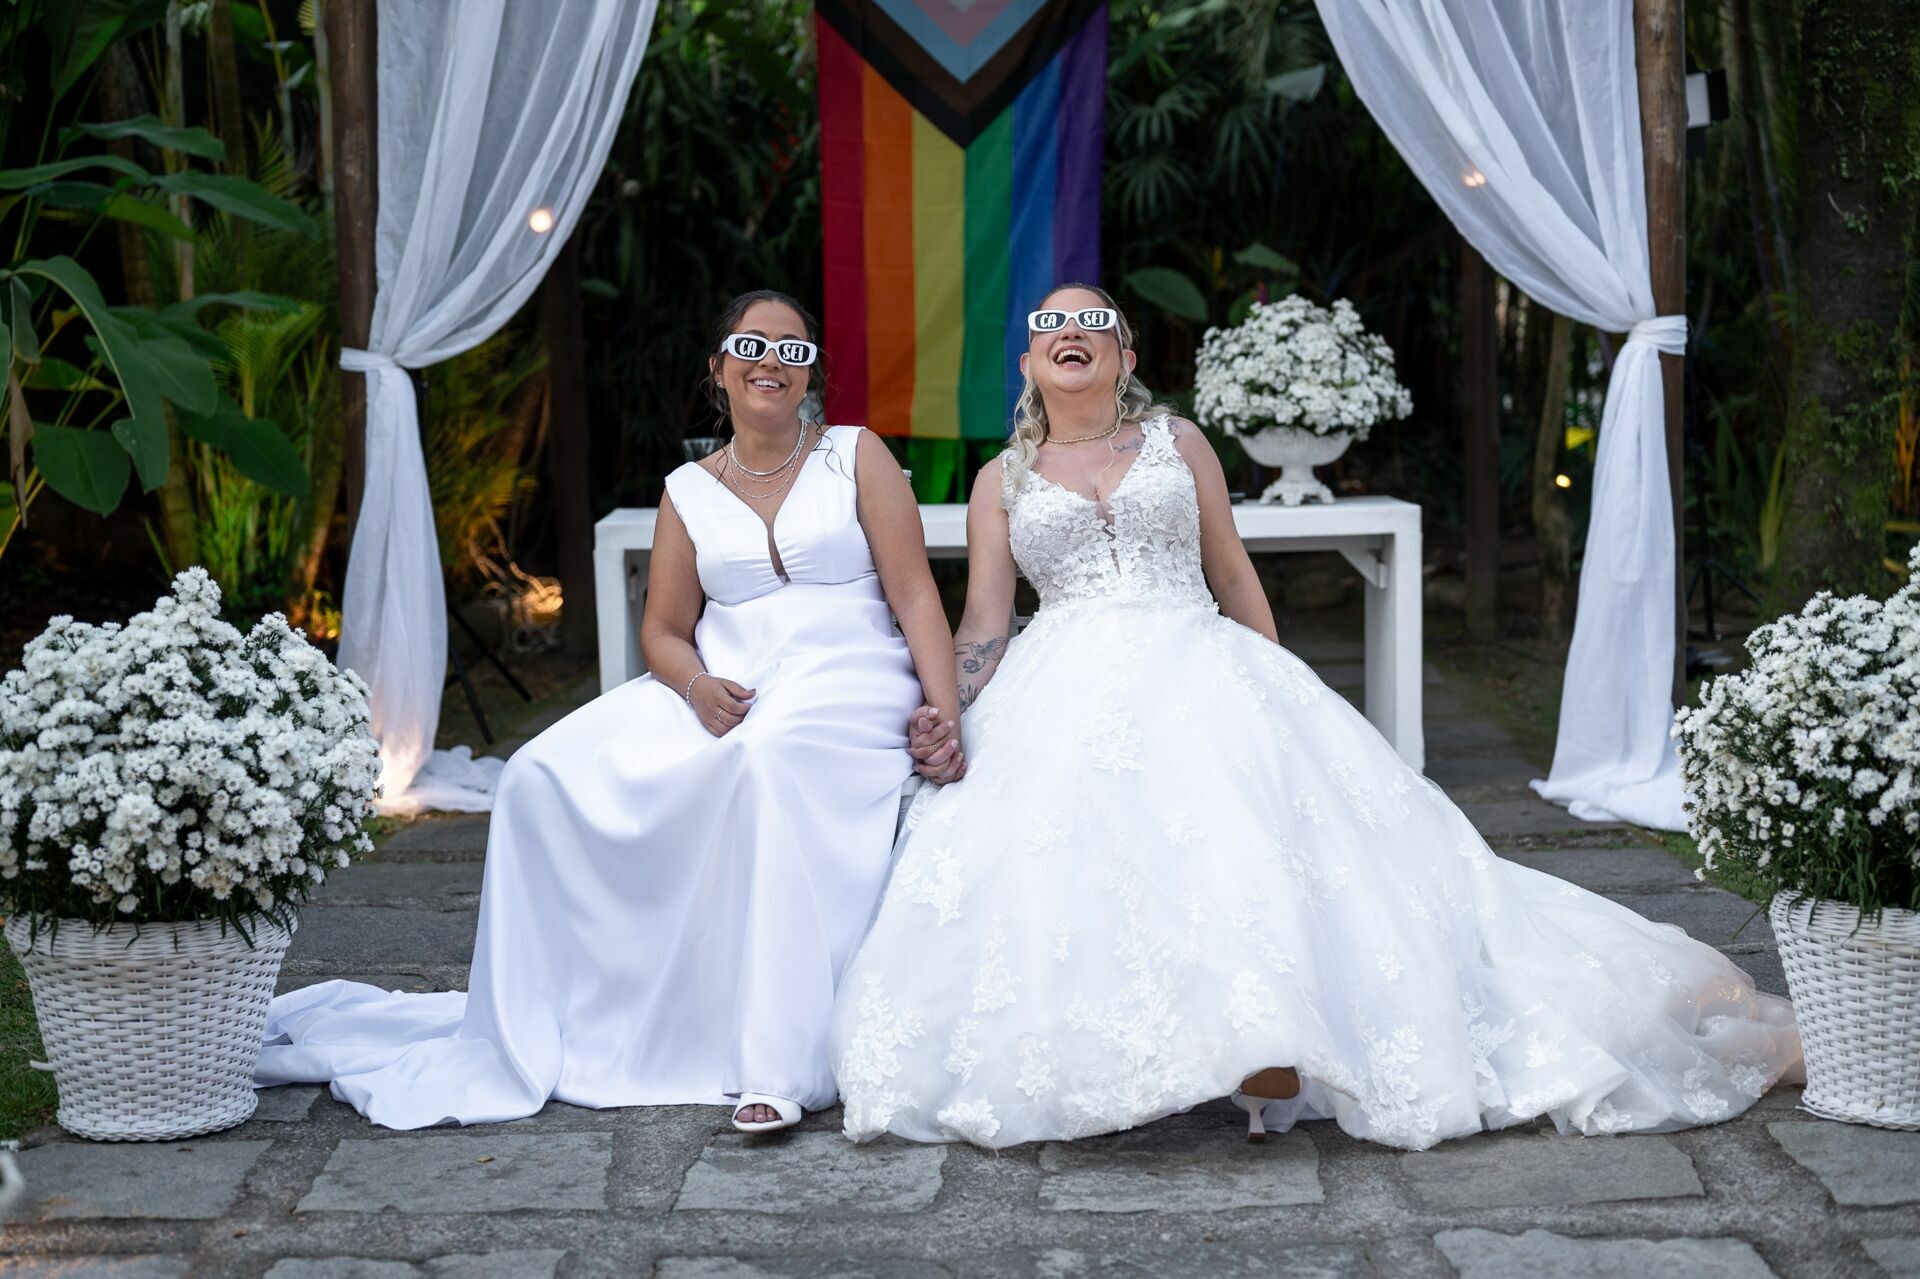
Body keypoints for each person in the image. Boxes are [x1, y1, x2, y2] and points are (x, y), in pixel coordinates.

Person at [827, 284, 1800, 1151]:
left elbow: (1234, 570)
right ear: (1032, 363)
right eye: (1052, 323)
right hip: (1064, 675)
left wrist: (1278, 684)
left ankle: (1270, 1049)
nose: (1072, 331)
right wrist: (947, 709)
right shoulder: (1004, 480)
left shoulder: (1178, 442)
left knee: (1255, 841)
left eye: (1094, 321)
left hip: (1199, 657)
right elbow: (987, 617)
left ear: (1123, 355)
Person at [260, 290, 958, 1133]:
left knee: (766, 758)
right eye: (751, 344)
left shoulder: (857, 456)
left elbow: (917, 597)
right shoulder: (688, 491)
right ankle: (556, 1018)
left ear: (812, 371)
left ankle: (776, 1063)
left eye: (793, 348)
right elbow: (662, 630)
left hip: (849, 674)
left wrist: (941, 711)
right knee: (538, 774)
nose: (772, 359)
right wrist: (696, 686)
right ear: (719, 369)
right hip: (724, 683)